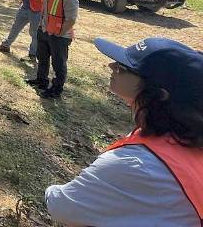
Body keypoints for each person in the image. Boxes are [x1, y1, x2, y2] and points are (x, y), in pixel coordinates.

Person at [46, 37, 203, 226]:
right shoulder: (185, 137)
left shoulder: (136, 164)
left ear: (159, 95)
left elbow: (62, 206)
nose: (112, 65)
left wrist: (49, 191)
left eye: (123, 67)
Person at [25, 0, 79, 99]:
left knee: (58, 63)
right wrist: (42, 27)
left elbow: (71, 19)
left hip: (59, 36)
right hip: (44, 31)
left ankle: (56, 89)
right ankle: (41, 81)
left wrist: (60, 33)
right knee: (42, 57)